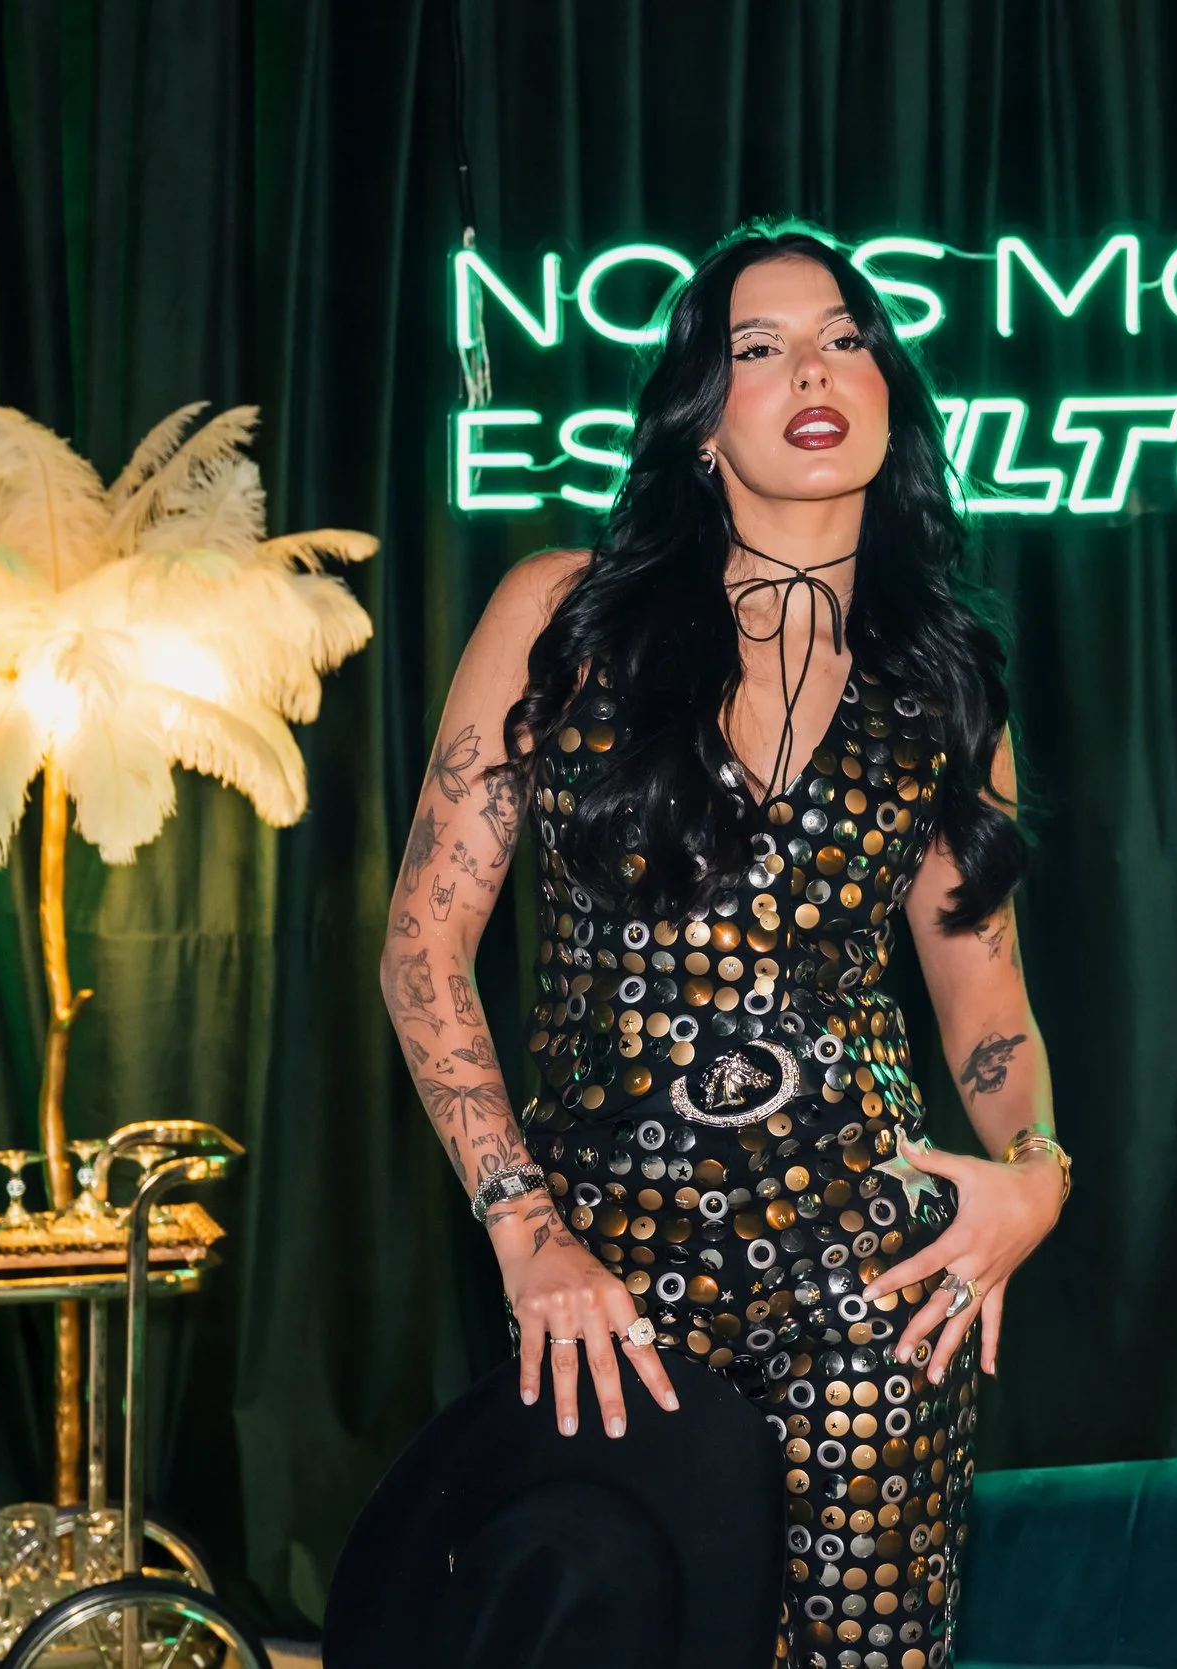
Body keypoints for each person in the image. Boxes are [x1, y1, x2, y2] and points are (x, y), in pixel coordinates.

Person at [376, 217, 1071, 1669]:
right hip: (607, 1279)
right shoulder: (566, 617)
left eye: (844, 339)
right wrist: (527, 1233)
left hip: (873, 1277)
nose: (814, 369)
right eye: (762, 348)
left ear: (887, 394)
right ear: (702, 421)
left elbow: (985, 996)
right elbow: (424, 948)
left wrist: (1035, 1175)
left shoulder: (944, 682)